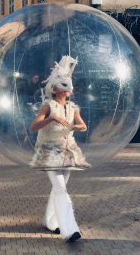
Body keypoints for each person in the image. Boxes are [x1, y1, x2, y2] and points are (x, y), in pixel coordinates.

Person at [30, 55, 91, 243]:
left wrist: (75, 127)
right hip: (49, 152)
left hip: (67, 152)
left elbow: (83, 126)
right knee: (61, 189)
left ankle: (51, 221)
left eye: (69, 86)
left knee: (58, 188)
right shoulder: (48, 105)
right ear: (55, 89)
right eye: (63, 86)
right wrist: (52, 118)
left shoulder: (73, 107)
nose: (67, 90)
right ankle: (69, 229)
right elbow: (34, 126)